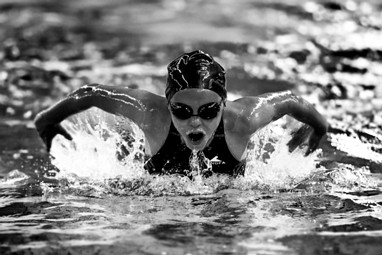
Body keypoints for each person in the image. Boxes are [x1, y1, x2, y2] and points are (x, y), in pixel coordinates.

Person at [34, 50, 328, 177]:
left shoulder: (243, 119)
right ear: (167, 104)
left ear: (223, 104)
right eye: (182, 110)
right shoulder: (152, 113)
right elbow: (91, 94)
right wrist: (46, 120)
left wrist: (319, 128)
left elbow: (290, 100)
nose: (195, 121)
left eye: (209, 110)